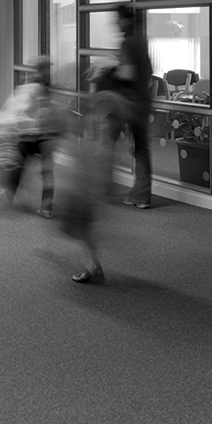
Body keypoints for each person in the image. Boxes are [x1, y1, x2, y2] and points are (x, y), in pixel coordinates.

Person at [59, 57, 130, 284]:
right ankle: (93, 262)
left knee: (80, 221)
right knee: (81, 222)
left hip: (91, 172)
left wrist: (88, 173)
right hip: (91, 169)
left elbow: (102, 142)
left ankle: (93, 264)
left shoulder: (108, 105)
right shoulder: (109, 103)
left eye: (96, 77)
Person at [0, 56, 63, 218]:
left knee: (18, 166)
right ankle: (46, 207)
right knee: (47, 171)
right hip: (47, 135)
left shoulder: (30, 86)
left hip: (30, 134)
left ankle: (8, 198)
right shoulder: (46, 88)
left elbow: (19, 109)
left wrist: (6, 124)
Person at [113, 4, 155, 208]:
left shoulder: (128, 43)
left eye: (118, 19)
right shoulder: (141, 40)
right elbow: (149, 71)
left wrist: (112, 70)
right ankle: (142, 195)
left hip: (131, 104)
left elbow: (128, 74)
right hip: (144, 102)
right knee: (141, 150)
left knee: (107, 139)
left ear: (126, 20)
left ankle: (100, 185)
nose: (116, 23)